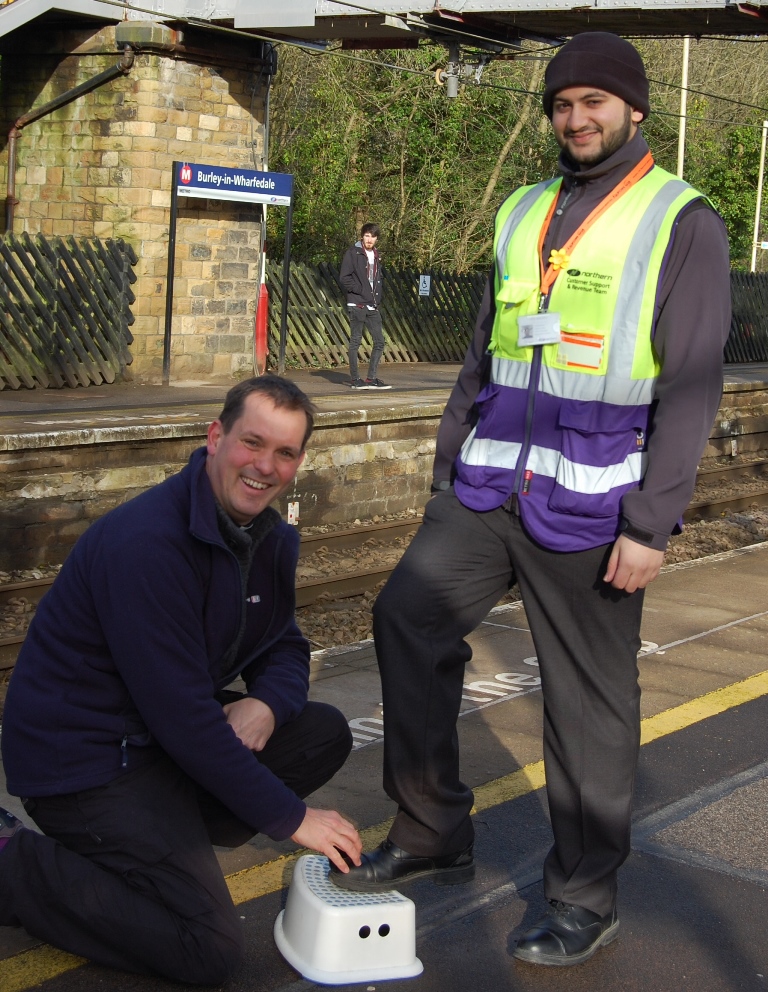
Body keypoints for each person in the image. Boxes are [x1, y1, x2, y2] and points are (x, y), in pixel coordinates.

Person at [331, 32, 731, 968]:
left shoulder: (682, 221)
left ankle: (584, 894)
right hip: (487, 487)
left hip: (593, 510)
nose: (577, 117)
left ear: (633, 110)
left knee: (589, 703)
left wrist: (652, 524)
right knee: (405, 621)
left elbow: (692, 389)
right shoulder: (522, 209)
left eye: (595, 101)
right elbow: (485, 354)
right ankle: (432, 826)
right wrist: (446, 468)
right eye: (562, 103)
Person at [0, 375, 362, 984]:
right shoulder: (147, 545)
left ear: (299, 461)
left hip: (152, 741)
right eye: (253, 442)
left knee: (321, 731)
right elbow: (185, 721)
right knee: (207, 949)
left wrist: (268, 705)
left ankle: (163, 843)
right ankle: (13, 864)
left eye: (285, 453)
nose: (265, 467)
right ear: (215, 436)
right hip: (84, 762)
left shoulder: (266, 537)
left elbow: (285, 646)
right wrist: (292, 818)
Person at [340, 222, 391, 389]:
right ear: (362, 236)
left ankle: (371, 379)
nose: (370, 239)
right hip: (357, 303)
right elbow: (344, 277)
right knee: (355, 341)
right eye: (367, 235)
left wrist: (377, 297)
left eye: (373, 236)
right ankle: (355, 380)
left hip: (372, 304)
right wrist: (360, 290)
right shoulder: (353, 253)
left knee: (379, 341)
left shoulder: (376, 256)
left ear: (376, 239)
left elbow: (377, 280)